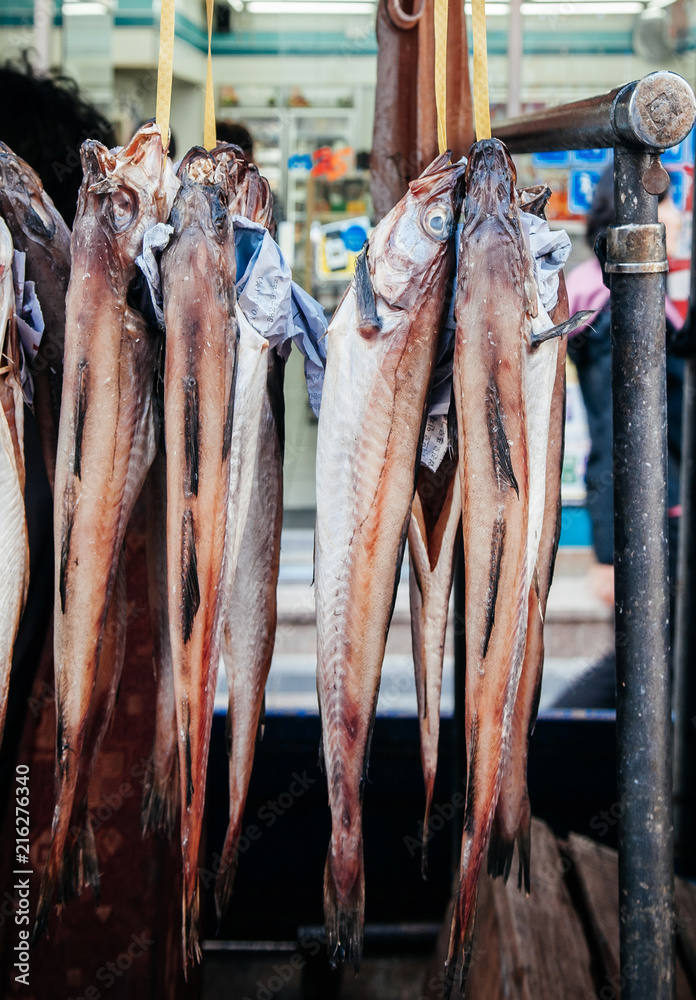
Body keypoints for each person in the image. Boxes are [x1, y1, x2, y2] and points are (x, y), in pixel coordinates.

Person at [554, 165, 685, 708]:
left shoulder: (618, 290)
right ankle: (552, 745)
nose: (679, 217)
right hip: (648, 513)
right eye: (671, 204)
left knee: (654, 659)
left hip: (658, 506)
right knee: (646, 659)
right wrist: (608, 550)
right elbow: (614, 434)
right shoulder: (615, 305)